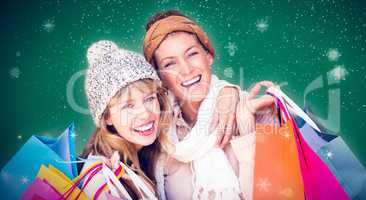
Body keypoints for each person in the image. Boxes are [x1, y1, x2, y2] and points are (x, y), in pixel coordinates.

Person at [143, 10, 276, 200]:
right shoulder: (155, 136)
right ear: (159, 77)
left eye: (192, 54)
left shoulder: (253, 113)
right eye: (170, 64)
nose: (186, 70)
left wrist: (247, 133)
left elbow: (277, 192)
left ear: (209, 55)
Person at [79, 40, 173, 199]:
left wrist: (226, 91)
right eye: (128, 106)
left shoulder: (144, 152)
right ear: (107, 117)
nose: (145, 114)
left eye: (149, 99)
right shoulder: (104, 183)